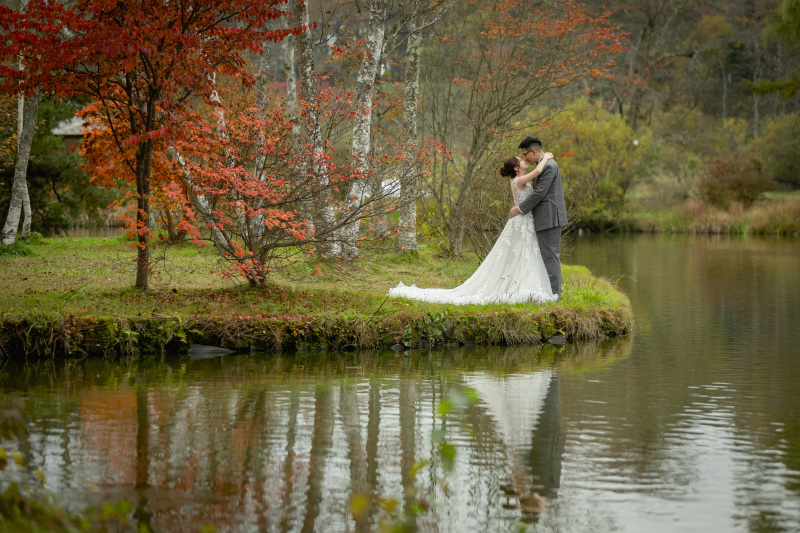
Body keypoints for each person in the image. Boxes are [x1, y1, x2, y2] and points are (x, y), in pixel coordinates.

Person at [388, 153, 557, 305]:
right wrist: (546, 158)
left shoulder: (519, 179)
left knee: (523, 252)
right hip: (521, 221)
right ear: (516, 168)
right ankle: (520, 286)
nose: (524, 159)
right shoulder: (519, 180)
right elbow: (538, 171)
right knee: (522, 251)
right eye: (520, 160)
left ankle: (522, 283)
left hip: (524, 220)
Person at [508, 136, 567, 299]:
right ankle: (548, 292)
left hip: (549, 218)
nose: (524, 158)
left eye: (525, 154)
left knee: (550, 256)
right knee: (545, 256)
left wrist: (520, 208)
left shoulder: (549, 166)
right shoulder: (544, 164)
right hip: (544, 217)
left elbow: (540, 193)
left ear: (533, 151)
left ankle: (554, 295)